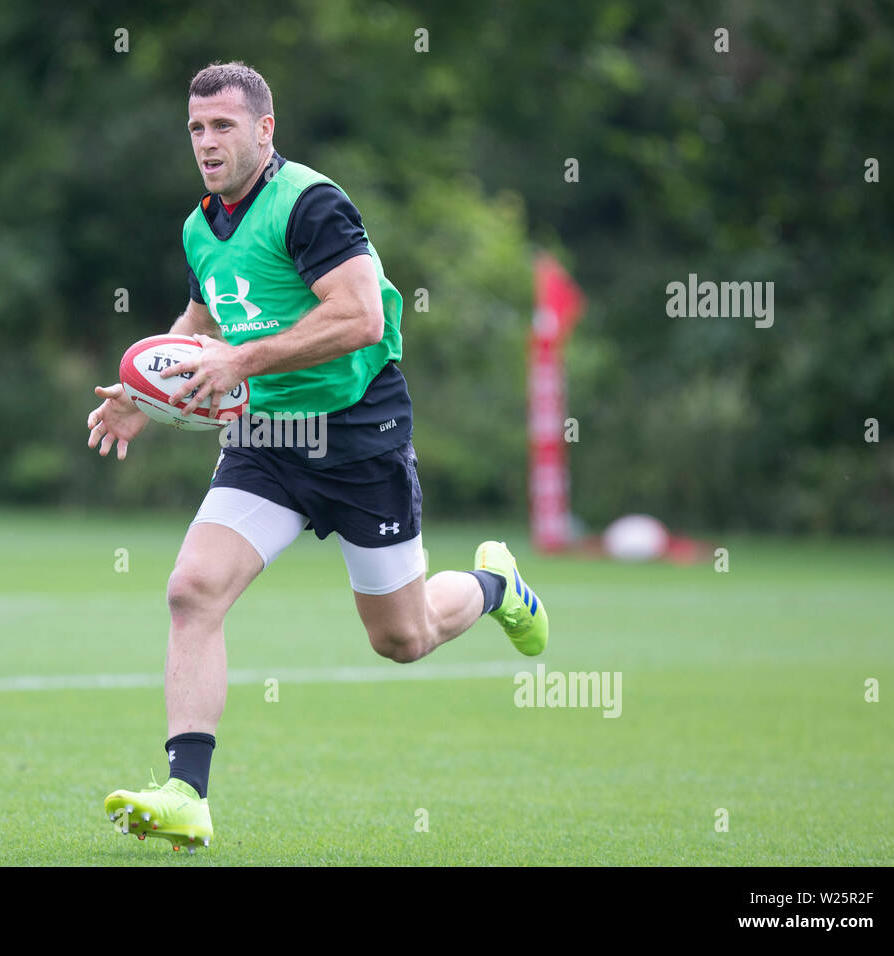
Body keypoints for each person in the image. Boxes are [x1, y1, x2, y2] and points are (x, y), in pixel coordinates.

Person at [86, 61, 548, 854]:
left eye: (223, 125)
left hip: (360, 437)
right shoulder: (201, 227)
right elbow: (200, 322)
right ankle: (185, 795)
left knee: (401, 639)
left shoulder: (310, 204)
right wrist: (145, 392)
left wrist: (243, 361)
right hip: (268, 442)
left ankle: (497, 584)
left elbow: (362, 317)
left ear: (265, 131)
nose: (206, 141)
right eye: (196, 128)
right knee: (192, 589)